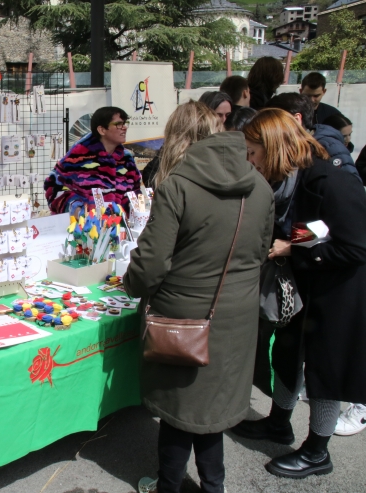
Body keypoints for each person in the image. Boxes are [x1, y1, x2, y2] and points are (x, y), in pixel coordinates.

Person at [124, 101, 274, 493]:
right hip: (237, 316)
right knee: (212, 409)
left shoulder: (178, 186)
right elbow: (260, 254)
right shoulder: (259, 185)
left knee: (180, 411)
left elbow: (150, 265)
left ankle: (168, 486)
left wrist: (132, 286)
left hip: (182, 318)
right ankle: (213, 486)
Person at [233, 108, 366, 478]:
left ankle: (317, 451)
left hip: (337, 292)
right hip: (302, 286)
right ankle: (279, 422)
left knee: (325, 372)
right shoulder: (288, 180)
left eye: (253, 152)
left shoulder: (331, 180)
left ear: (274, 147)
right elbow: (311, 227)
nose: (250, 160)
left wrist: (292, 248)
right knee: (288, 356)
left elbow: (355, 245)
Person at [44, 106, 141, 214]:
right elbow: (54, 187)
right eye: (118, 124)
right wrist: (76, 209)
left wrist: (130, 208)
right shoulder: (78, 156)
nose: (125, 127)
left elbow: (135, 189)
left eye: (125, 123)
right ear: (102, 130)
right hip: (83, 228)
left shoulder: (126, 159)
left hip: (121, 227)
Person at [265, 93, 359, 179]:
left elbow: (351, 188)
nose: (269, 127)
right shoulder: (294, 146)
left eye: (274, 121)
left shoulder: (329, 147)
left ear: (296, 119)